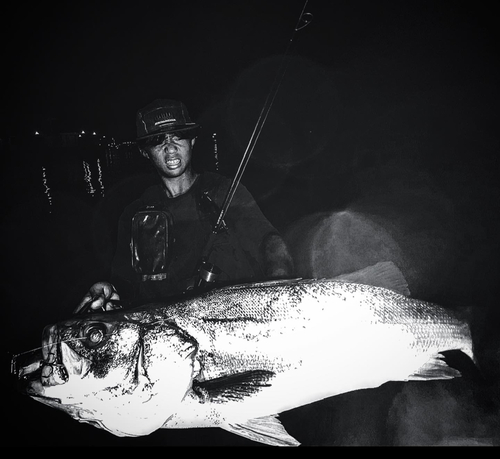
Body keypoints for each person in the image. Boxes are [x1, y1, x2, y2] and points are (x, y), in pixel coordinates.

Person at [75, 98, 294, 313]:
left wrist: (279, 283)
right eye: (157, 140)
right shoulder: (134, 214)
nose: (170, 148)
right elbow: (124, 286)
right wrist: (110, 291)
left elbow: (269, 242)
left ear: (192, 141)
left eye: (178, 136)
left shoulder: (224, 192)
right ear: (144, 152)